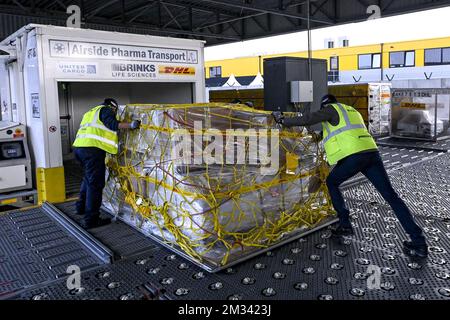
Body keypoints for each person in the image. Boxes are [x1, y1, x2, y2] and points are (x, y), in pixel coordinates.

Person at [272, 94, 428, 258]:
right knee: (391, 196)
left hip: (354, 156)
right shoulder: (351, 111)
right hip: (372, 153)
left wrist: (282, 120)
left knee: (331, 182)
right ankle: (418, 242)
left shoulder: (331, 109)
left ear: (325, 105)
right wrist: (315, 136)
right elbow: (333, 133)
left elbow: (309, 118)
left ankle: (345, 224)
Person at [72, 98, 141, 229]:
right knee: (95, 185)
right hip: (92, 151)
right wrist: (131, 125)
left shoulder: (90, 112)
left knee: (88, 180)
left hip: (79, 148)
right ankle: (91, 219)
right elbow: (112, 124)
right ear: (113, 107)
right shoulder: (105, 110)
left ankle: (80, 208)